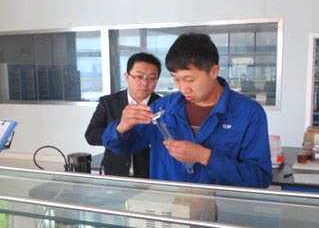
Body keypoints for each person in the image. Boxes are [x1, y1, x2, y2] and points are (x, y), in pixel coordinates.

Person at [103, 33, 272, 188]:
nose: (183, 88)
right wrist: (122, 127)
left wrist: (205, 157)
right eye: (176, 79)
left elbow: (259, 178)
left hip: (222, 208)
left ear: (213, 72)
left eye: (189, 79)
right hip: (169, 206)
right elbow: (119, 147)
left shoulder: (248, 113)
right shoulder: (163, 108)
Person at [85, 53, 161, 177]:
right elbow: (91, 136)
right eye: (138, 77)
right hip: (115, 173)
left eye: (152, 78)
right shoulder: (108, 102)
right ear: (127, 77)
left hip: (150, 175)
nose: (144, 83)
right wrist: (119, 129)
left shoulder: (162, 106)